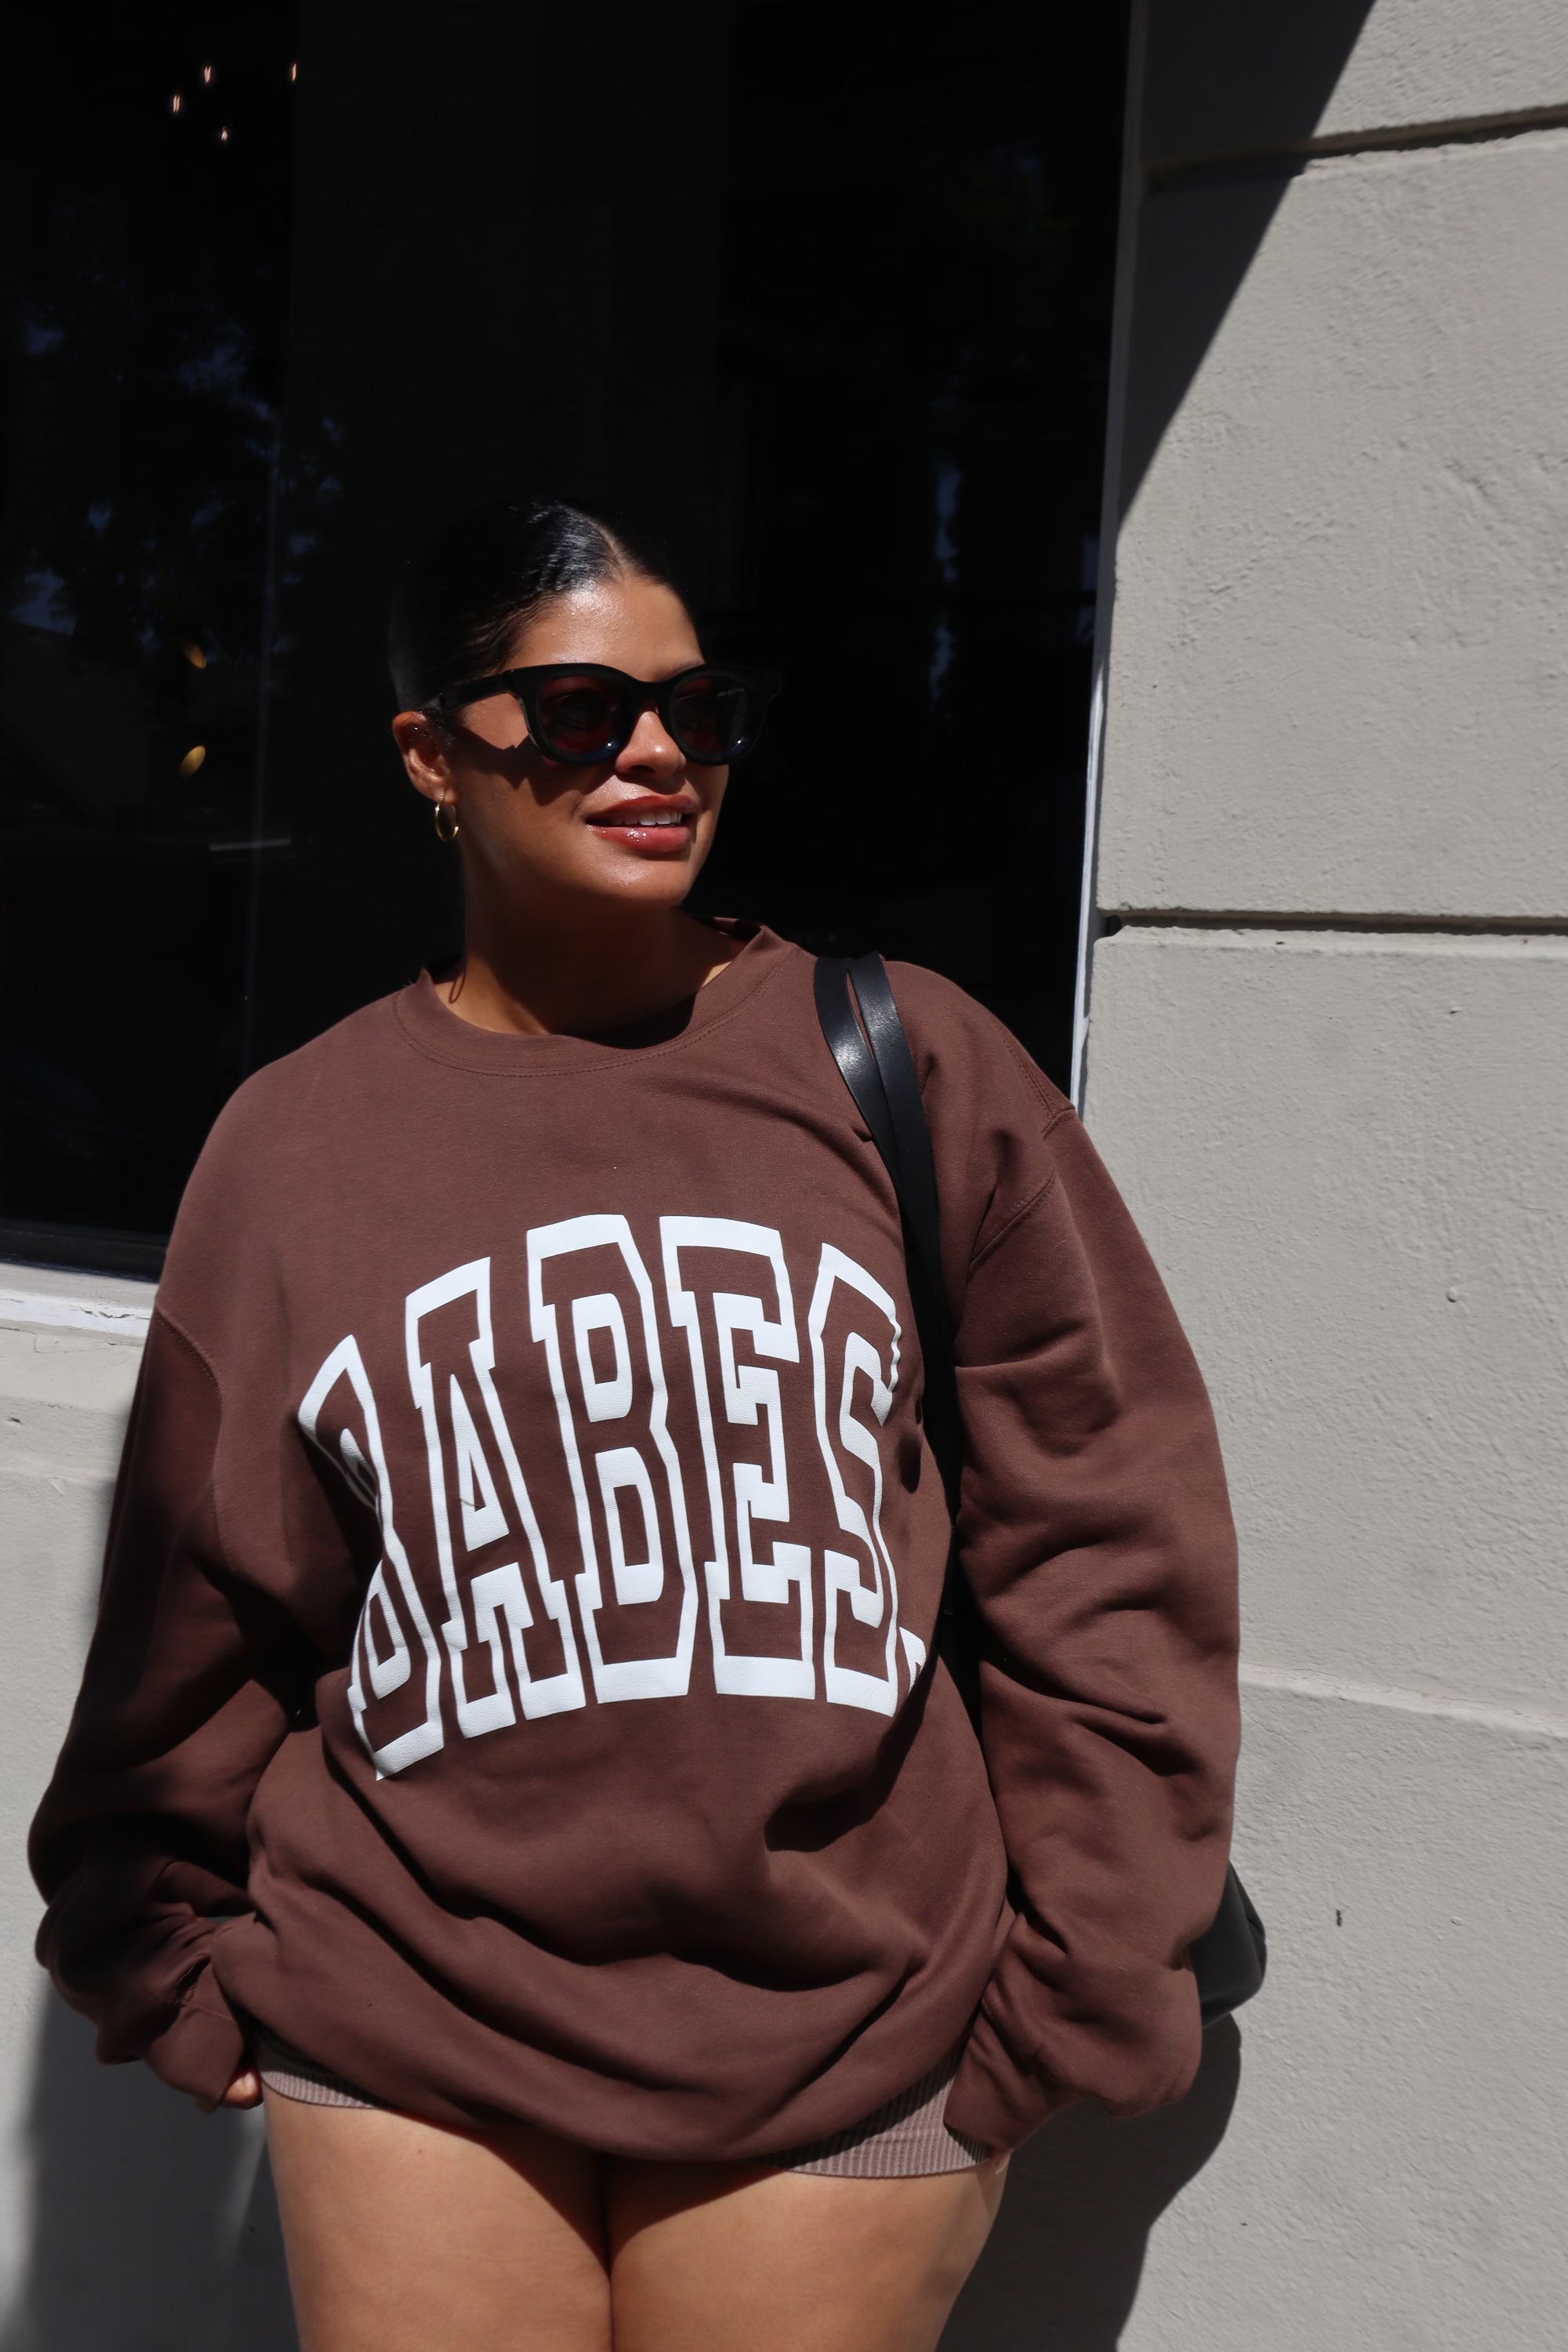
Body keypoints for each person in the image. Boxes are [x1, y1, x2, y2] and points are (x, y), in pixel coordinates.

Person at [29, 496, 1240, 2352]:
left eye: (698, 708)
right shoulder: (296, 1144)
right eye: (584, 712)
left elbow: (1108, 1535)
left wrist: (1081, 1975)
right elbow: (206, 1593)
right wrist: (150, 1938)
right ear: (430, 753)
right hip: (410, 2008)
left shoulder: (907, 1065)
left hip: (846, 2015)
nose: (661, 753)